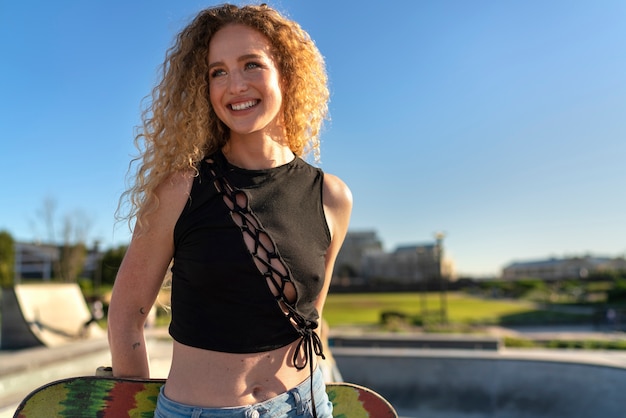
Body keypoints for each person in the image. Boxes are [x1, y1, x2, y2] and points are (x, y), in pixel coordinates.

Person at [107, 4, 352, 418]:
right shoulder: (180, 190)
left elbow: (314, 317)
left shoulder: (331, 196)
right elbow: (125, 318)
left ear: (286, 74)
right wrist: (134, 405)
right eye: (217, 71)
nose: (234, 84)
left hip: (306, 405)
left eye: (251, 64)